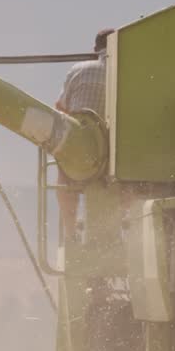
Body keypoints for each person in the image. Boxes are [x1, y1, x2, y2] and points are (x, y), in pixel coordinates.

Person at [55, 28, 113, 245]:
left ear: (95, 49)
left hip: (81, 153)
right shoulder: (127, 70)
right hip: (114, 154)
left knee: (64, 181)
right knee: (129, 184)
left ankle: (70, 235)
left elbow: (61, 107)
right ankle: (128, 224)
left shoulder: (79, 69)